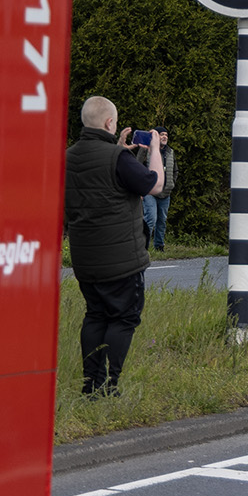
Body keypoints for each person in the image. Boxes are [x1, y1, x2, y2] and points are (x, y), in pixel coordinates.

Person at [65, 97, 164, 397]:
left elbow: (103, 180)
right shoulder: (117, 159)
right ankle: (110, 384)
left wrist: (120, 149)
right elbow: (154, 184)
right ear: (110, 123)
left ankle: (90, 384)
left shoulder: (69, 156)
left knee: (95, 315)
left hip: (85, 258)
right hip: (121, 259)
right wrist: (155, 150)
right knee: (123, 317)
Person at [141, 125, 177, 251]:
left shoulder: (170, 152)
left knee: (162, 222)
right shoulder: (147, 150)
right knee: (151, 218)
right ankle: (143, 247)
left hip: (165, 193)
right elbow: (137, 165)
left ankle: (159, 247)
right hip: (150, 191)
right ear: (156, 137)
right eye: (162, 135)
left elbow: (175, 171)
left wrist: (171, 184)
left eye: (166, 135)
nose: (164, 137)